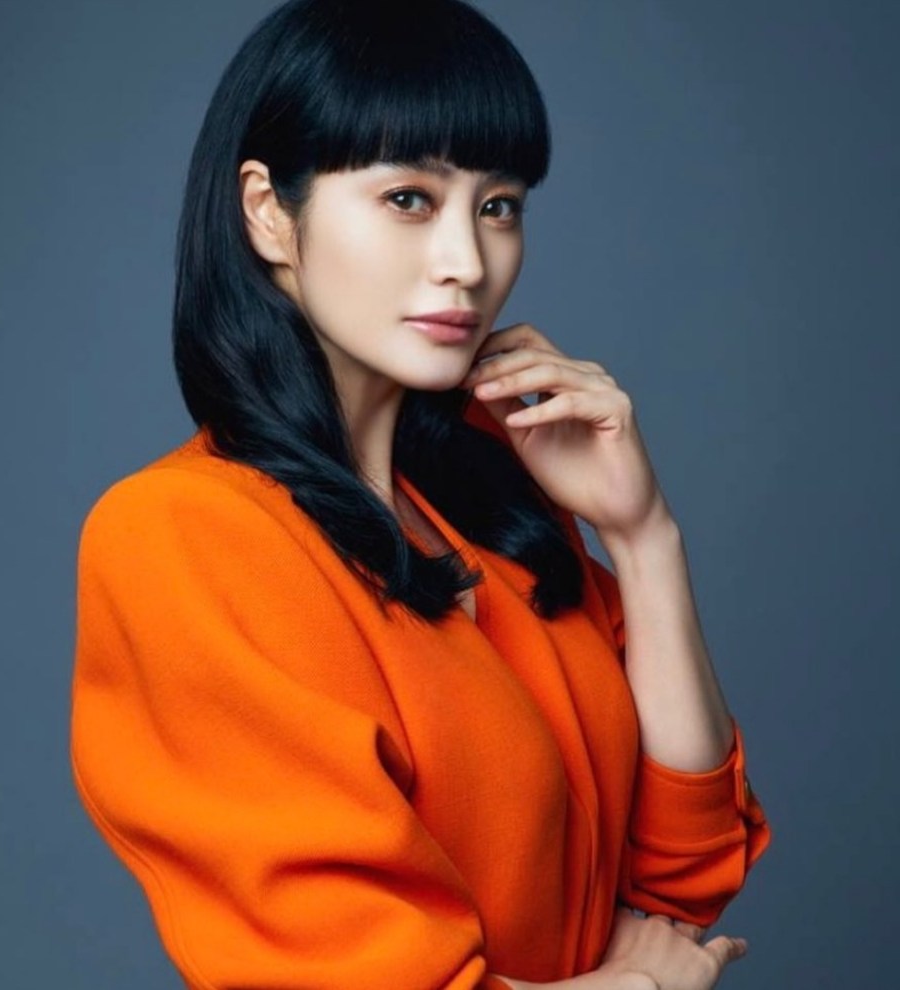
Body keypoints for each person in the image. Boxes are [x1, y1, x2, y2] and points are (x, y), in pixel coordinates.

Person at [69, 1, 772, 988]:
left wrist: (643, 536)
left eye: (499, 206)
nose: (467, 264)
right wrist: (640, 986)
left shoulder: (489, 498)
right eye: (408, 198)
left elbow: (683, 870)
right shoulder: (185, 535)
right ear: (268, 212)